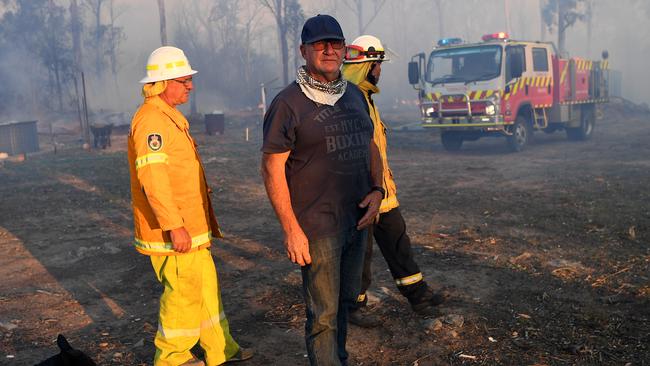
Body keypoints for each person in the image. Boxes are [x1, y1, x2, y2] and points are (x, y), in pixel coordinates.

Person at [261, 15, 384, 366]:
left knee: (345, 303)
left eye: (336, 43)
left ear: (345, 49)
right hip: (317, 228)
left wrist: (377, 190)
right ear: (303, 51)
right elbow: (271, 168)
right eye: (320, 44)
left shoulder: (355, 97)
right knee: (324, 315)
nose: (329, 50)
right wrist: (290, 230)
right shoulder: (288, 104)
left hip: (357, 221)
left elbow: (370, 144)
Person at [128, 46, 253, 366]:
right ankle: (172, 358)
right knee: (183, 295)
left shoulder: (168, 116)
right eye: (184, 81)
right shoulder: (151, 121)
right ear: (162, 82)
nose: (190, 86)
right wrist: (174, 226)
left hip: (190, 227)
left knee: (206, 292)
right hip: (175, 231)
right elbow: (153, 179)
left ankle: (220, 349)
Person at [341, 35, 445, 328]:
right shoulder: (351, 100)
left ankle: (419, 296)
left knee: (398, 240)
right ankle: (353, 306)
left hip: (381, 191)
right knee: (361, 253)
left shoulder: (363, 97)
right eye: (378, 65)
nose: (380, 71)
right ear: (367, 66)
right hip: (362, 194)